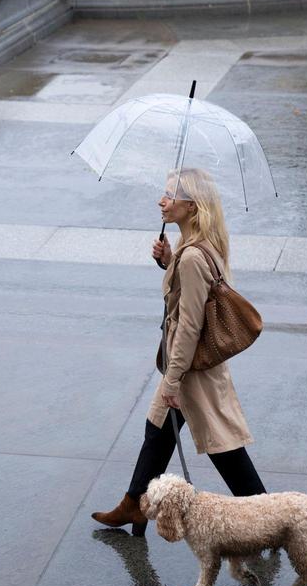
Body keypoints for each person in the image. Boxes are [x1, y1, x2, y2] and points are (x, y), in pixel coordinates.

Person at [92, 167, 266, 535]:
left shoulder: (192, 257)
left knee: (224, 447)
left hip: (191, 369)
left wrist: (172, 379)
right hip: (187, 364)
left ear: (191, 205)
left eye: (170, 195)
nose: (161, 200)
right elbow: (194, 296)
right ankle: (134, 504)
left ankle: (265, 517)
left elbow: (190, 324)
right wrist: (167, 261)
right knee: (157, 430)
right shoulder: (197, 248)